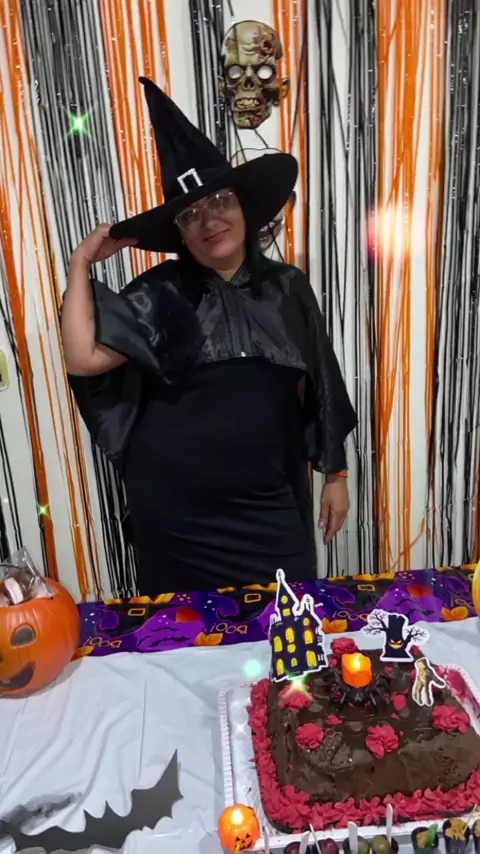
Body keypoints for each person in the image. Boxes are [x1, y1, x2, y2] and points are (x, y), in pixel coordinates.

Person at [61, 78, 357, 596]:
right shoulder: (159, 292)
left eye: (219, 200)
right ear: (179, 231)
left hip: (269, 507)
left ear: (244, 206)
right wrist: (80, 263)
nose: (208, 220)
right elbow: (83, 358)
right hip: (176, 520)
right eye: (190, 214)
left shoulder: (287, 287)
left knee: (284, 629)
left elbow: (322, 383)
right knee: (183, 641)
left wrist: (335, 475)